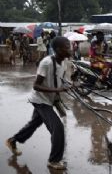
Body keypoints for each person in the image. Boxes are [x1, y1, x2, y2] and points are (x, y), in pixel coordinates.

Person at [5, 36, 71, 170]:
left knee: (33, 124)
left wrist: (70, 84)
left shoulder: (63, 62)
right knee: (58, 129)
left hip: (50, 99)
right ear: (58, 50)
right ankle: (54, 161)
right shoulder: (46, 63)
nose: (70, 49)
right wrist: (57, 89)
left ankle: (12, 141)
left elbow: (60, 79)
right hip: (40, 100)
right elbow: (36, 86)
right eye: (67, 46)